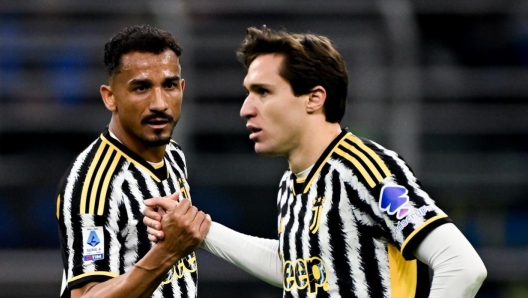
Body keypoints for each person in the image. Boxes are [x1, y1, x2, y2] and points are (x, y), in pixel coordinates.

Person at [144, 25, 487, 297]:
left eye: (263, 92)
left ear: (314, 98)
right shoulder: (292, 182)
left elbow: (461, 265)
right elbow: (296, 266)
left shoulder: (363, 169)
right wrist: (203, 232)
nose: (245, 109)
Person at [55, 24, 211, 298]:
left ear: (183, 88)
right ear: (110, 97)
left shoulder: (173, 154)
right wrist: (167, 252)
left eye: (170, 85)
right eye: (141, 88)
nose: (160, 103)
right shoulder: (93, 183)